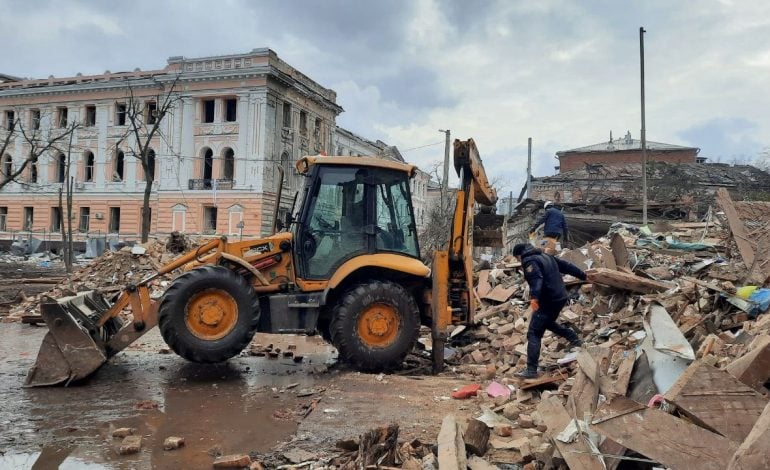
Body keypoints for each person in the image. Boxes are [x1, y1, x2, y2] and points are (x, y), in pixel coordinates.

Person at [512, 242, 589, 379]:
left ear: (519, 255)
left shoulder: (529, 260)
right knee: (546, 322)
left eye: (517, 258)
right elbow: (566, 266)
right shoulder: (546, 256)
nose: (519, 261)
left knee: (534, 332)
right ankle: (573, 338)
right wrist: (583, 276)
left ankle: (531, 370)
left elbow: (537, 279)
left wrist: (534, 298)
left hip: (548, 299)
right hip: (560, 297)